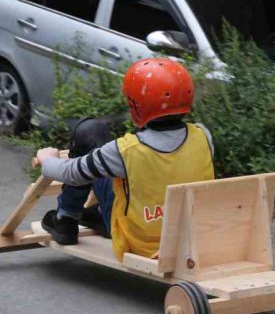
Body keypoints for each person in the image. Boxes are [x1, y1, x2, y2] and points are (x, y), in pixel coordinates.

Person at [35, 59, 215, 261]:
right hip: (189, 238)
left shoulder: (125, 151)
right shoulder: (203, 136)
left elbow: (71, 174)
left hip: (140, 242)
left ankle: (65, 219)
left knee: (89, 131)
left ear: (137, 105)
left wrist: (47, 159)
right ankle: (99, 213)